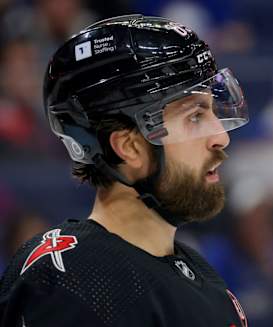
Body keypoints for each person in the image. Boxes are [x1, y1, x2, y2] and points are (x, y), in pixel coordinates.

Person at [0, 14, 249, 327]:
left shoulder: (198, 272)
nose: (221, 137)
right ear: (130, 147)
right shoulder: (75, 279)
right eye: (194, 117)